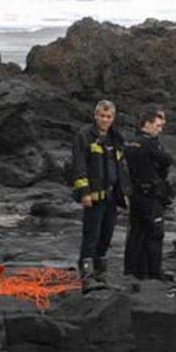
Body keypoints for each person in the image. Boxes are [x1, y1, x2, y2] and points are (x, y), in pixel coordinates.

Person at [70, 100, 130, 292]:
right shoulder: (84, 135)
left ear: (113, 118)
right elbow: (78, 166)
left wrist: (126, 193)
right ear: (95, 115)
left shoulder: (116, 138)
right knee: (91, 235)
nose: (105, 120)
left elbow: (120, 167)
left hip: (112, 195)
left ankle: (100, 274)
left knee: (106, 235)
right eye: (102, 116)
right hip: (94, 196)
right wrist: (84, 193)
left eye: (109, 116)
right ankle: (87, 277)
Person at [124, 109, 171, 280]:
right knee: (155, 233)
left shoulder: (130, 143)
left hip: (136, 193)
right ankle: (153, 272)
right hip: (150, 193)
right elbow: (166, 160)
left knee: (136, 232)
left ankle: (133, 270)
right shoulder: (149, 144)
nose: (160, 129)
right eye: (158, 126)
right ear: (147, 124)